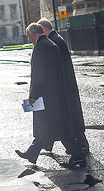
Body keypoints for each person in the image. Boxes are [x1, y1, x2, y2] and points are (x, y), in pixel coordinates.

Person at [15, 23, 85, 167]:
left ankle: (78, 156)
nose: (29, 39)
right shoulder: (51, 44)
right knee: (45, 127)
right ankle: (32, 153)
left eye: (29, 36)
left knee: (56, 128)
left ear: (34, 33)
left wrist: (33, 95)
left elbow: (38, 75)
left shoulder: (40, 48)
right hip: (55, 94)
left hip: (45, 96)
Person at [38, 18, 89, 154]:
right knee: (67, 116)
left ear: (44, 29)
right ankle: (48, 144)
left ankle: (81, 147)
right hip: (66, 83)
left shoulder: (53, 41)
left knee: (68, 117)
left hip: (63, 85)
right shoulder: (56, 38)